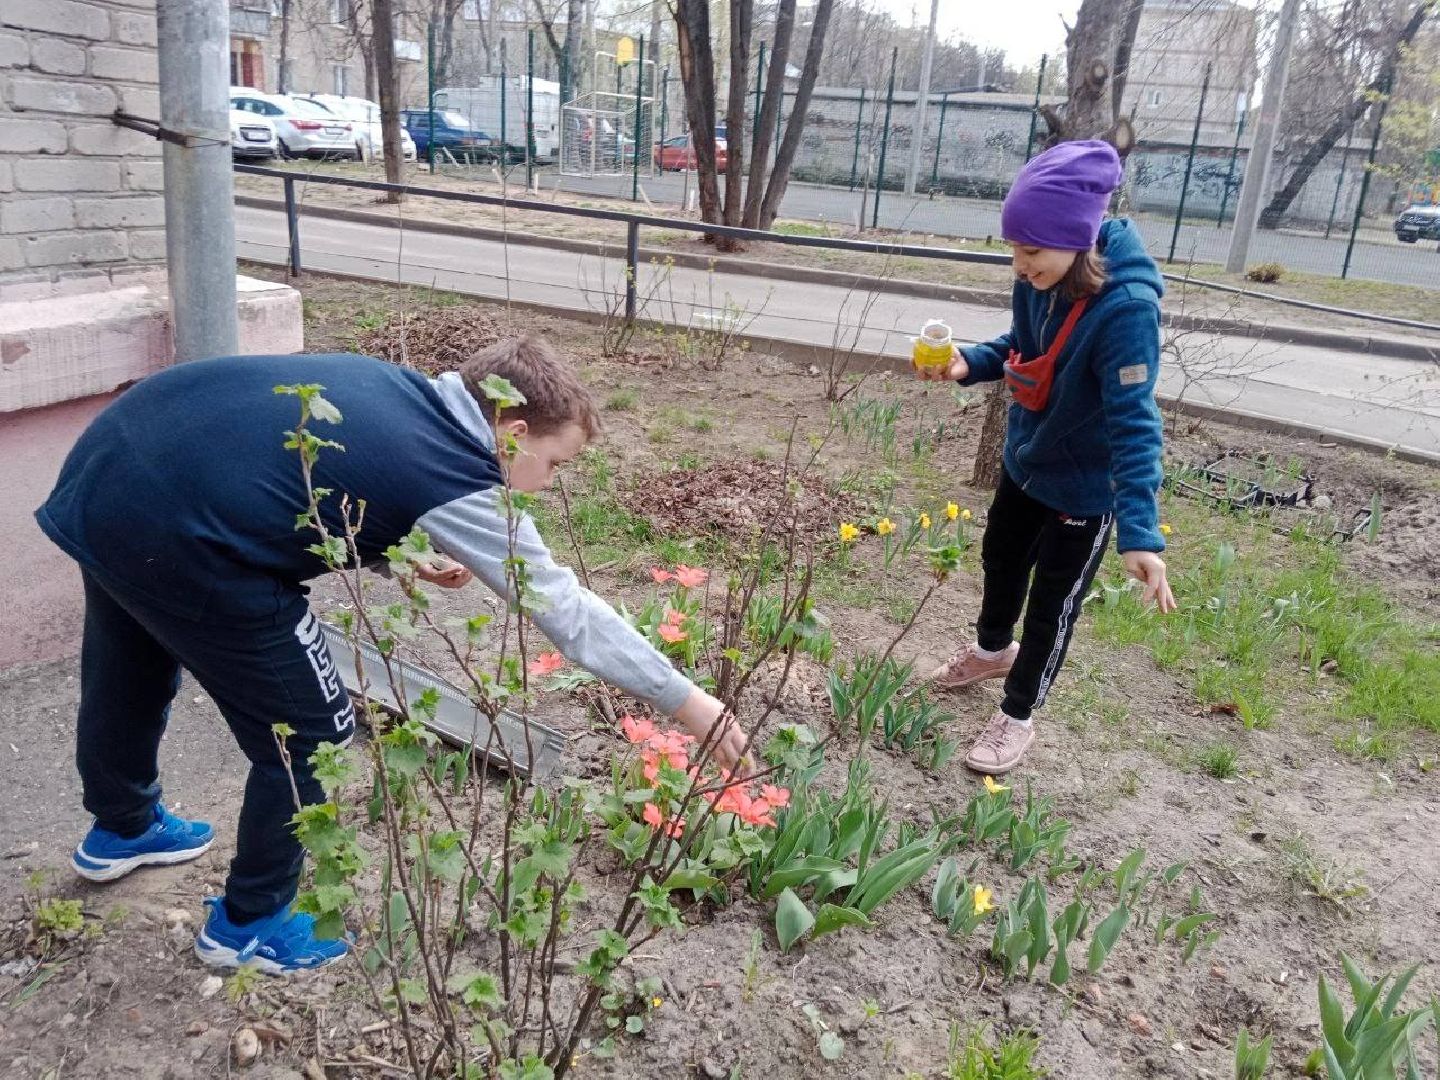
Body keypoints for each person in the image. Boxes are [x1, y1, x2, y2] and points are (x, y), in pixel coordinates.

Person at [36, 336, 745, 974]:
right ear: (514, 432)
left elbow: (313, 477)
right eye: (555, 463)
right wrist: (687, 700)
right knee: (312, 730)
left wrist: (394, 560)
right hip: (185, 531)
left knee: (131, 659)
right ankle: (248, 925)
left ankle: (122, 829)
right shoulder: (456, 469)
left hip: (112, 472)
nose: (551, 481)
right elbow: (565, 611)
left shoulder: (402, 391)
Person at [916, 140, 1178, 776]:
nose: (1018, 263)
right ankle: (989, 651)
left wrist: (1142, 533)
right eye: (1013, 247)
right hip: (1028, 460)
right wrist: (970, 362)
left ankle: (1018, 714)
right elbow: (1025, 343)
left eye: (1031, 251)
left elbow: (1135, 422)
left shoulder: (1126, 311)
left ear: (1078, 240)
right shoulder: (1041, 277)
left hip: (1084, 489)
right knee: (1001, 558)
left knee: (1052, 605)